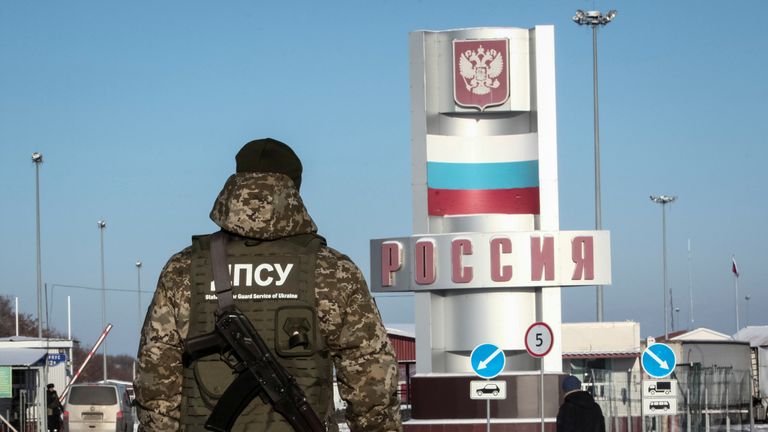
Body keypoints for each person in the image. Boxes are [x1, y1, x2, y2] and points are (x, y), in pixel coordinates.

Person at [134, 138, 402, 432]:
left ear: (236, 184)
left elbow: (155, 380)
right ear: (293, 189)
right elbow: (372, 382)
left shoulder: (183, 270)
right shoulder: (333, 271)